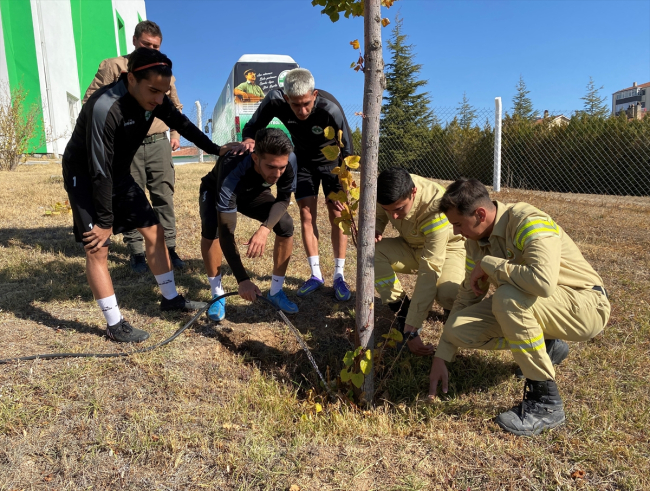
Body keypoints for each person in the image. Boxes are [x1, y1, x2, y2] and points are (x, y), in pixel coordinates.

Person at [63, 48, 231, 343]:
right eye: (153, 90)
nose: (158, 98)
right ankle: (114, 324)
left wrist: (217, 149)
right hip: (86, 174)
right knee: (97, 247)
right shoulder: (106, 107)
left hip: (116, 172)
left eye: (163, 91)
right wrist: (104, 222)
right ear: (131, 79)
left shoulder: (157, 99)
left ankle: (170, 299)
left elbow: (184, 126)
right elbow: (100, 171)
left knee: (154, 231)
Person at [428, 178, 610, 436]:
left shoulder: (527, 220)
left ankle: (546, 404)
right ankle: (548, 345)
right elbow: (467, 295)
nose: (456, 232)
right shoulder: (475, 239)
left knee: (507, 298)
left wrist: (490, 264)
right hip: (540, 306)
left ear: (480, 214)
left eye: (458, 224)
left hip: (586, 306)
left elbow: (543, 283)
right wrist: (441, 354)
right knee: (457, 328)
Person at [236, 68, 353, 302]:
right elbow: (251, 127)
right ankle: (316, 274)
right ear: (286, 98)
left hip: (333, 164)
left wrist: (345, 182)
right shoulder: (275, 100)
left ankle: (339, 275)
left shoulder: (330, 107)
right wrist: (248, 140)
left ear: (315, 94)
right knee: (306, 216)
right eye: (296, 105)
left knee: (337, 216)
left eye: (307, 103)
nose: (302, 111)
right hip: (304, 164)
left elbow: (348, 149)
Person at [83, 20, 186, 273]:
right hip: (126, 146)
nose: (151, 49)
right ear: (134, 41)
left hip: (157, 142)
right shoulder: (113, 66)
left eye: (156, 46)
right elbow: (91, 102)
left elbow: (175, 105)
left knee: (164, 195)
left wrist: (175, 133)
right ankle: (137, 252)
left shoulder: (164, 72)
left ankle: (169, 247)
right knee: (130, 197)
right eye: (146, 44)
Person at [199, 128, 299, 318]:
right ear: (255, 158)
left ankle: (276, 292)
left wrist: (264, 229)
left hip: (253, 193)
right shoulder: (232, 166)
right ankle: (217, 294)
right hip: (216, 190)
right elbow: (227, 233)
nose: (277, 174)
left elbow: (284, 200)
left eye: (282, 167)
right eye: (271, 167)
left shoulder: (289, 160)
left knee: (285, 224)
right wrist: (243, 280)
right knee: (212, 230)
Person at [374, 168, 465, 355]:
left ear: (413, 192)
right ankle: (402, 310)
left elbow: (429, 269)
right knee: (371, 253)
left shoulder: (435, 205)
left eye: (399, 209)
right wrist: (375, 229)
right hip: (411, 245)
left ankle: (449, 310)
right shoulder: (385, 190)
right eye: (387, 210)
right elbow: (378, 216)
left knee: (448, 292)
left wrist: (411, 330)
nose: (394, 216)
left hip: (447, 249)